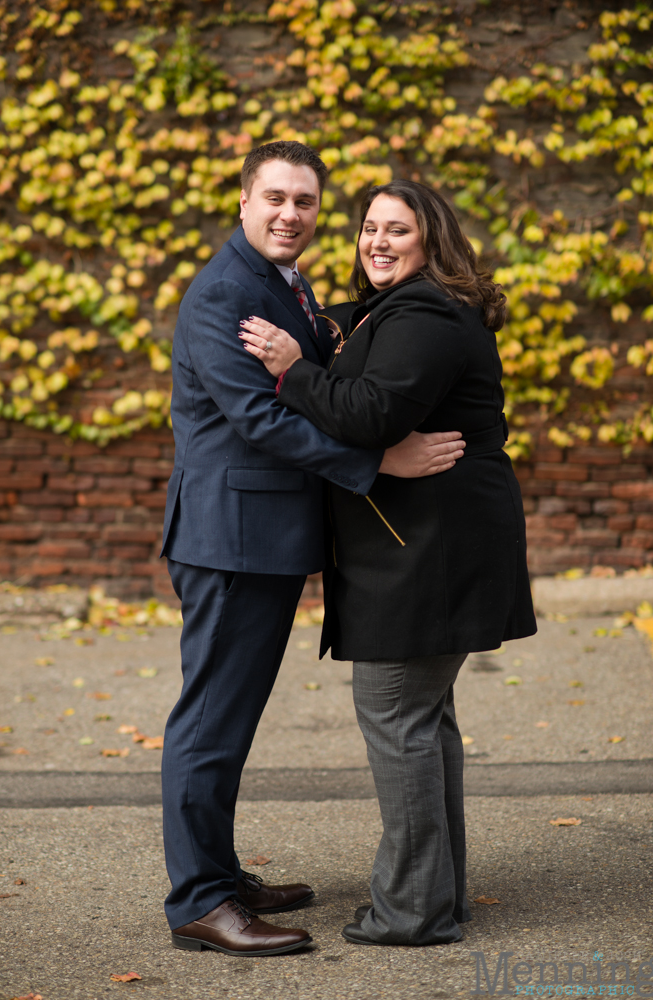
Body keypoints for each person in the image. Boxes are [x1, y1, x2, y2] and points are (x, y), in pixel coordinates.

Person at [159, 144, 468, 957]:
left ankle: (218, 876)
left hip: (264, 537)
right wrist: (378, 462)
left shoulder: (283, 284)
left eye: (304, 201)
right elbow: (257, 419)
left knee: (230, 717)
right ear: (242, 200)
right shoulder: (224, 292)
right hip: (228, 539)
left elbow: (315, 381)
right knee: (210, 722)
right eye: (274, 197)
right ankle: (199, 901)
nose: (289, 213)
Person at [239, 178, 538, 947]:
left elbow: (372, 411)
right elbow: (355, 350)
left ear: (430, 241)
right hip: (434, 546)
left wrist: (288, 367)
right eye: (368, 227)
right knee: (424, 724)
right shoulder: (404, 310)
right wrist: (313, 338)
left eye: (395, 230)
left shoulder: (427, 314)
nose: (375, 241)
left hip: (427, 552)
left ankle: (409, 913)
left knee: (400, 719)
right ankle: (437, 900)